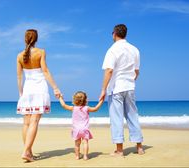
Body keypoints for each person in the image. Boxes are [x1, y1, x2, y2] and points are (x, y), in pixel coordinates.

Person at [99, 24, 144, 156]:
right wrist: (130, 81)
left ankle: (119, 150)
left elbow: (109, 70)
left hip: (116, 88)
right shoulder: (135, 49)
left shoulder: (112, 50)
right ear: (125, 34)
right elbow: (137, 71)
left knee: (116, 118)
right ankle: (139, 147)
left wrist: (103, 89)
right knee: (132, 116)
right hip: (130, 87)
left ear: (114, 34)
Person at [17, 29, 61, 162]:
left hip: (27, 89)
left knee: (26, 123)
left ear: (25, 39)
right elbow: (45, 71)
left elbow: (19, 77)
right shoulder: (41, 52)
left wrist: (21, 93)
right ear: (36, 39)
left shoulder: (19, 56)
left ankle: (28, 152)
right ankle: (26, 151)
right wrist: (55, 88)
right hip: (39, 88)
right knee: (34, 121)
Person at [58, 91, 104, 160]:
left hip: (76, 130)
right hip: (84, 129)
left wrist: (60, 98)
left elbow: (64, 105)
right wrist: (101, 100)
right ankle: (85, 156)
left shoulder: (73, 108)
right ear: (85, 100)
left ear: (74, 100)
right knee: (85, 143)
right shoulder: (87, 108)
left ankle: (77, 156)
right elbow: (96, 108)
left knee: (77, 144)